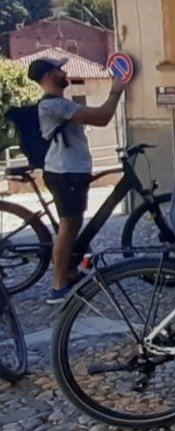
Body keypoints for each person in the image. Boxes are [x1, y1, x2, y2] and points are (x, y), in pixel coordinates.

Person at [30, 57, 126, 304]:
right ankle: (59, 286)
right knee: (68, 227)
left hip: (72, 171)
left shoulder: (61, 103)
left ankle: (71, 273)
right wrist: (116, 90)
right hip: (64, 172)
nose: (65, 73)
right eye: (59, 69)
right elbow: (102, 117)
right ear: (48, 75)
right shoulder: (53, 105)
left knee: (73, 225)